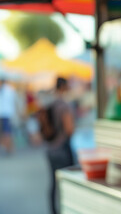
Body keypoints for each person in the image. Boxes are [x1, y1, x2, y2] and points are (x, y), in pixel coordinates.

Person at [44, 77, 74, 214]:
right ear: (63, 86)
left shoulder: (50, 103)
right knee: (65, 183)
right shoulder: (64, 105)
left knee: (53, 183)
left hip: (50, 149)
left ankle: (53, 210)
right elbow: (69, 129)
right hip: (62, 148)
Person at [0, 78, 18, 154]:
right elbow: (15, 102)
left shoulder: (8, 89)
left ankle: (9, 149)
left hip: (5, 114)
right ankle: (9, 149)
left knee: (6, 132)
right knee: (8, 132)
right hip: (8, 113)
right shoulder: (10, 89)